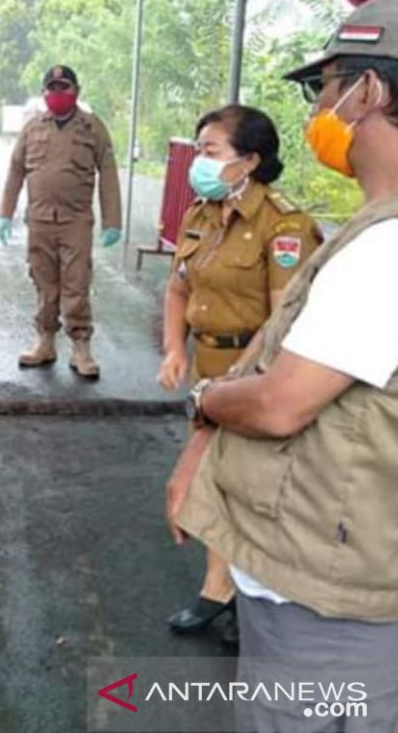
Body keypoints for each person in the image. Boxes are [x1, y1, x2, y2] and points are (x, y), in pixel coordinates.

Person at [166, 0, 398, 732]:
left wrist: (207, 399)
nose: (322, 110)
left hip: (324, 598)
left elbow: (282, 403)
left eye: (327, 88)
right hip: (322, 570)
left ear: (369, 92)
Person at [158, 105, 322, 646]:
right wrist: (172, 350)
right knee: (211, 480)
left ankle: (255, 603)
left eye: (210, 151)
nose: (197, 162)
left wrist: (236, 382)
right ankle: (216, 588)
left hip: (258, 375)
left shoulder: (284, 225)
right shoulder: (200, 214)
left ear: (249, 160)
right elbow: (179, 286)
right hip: (209, 365)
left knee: (251, 487)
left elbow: (282, 323)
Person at [0, 65, 122, 379]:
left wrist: (113, 221)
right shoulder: (32, 128)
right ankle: (45, 341)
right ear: (44, 93)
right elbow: (15, 171)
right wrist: (4, 214)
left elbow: (108, 173)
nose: (57, 93)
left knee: (76, 284)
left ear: (76, 91)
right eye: (52, 88)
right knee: (44, 283)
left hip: (76, 221)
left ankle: (81, 348)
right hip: (39, 220)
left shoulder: (92, 128)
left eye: (63, 87)